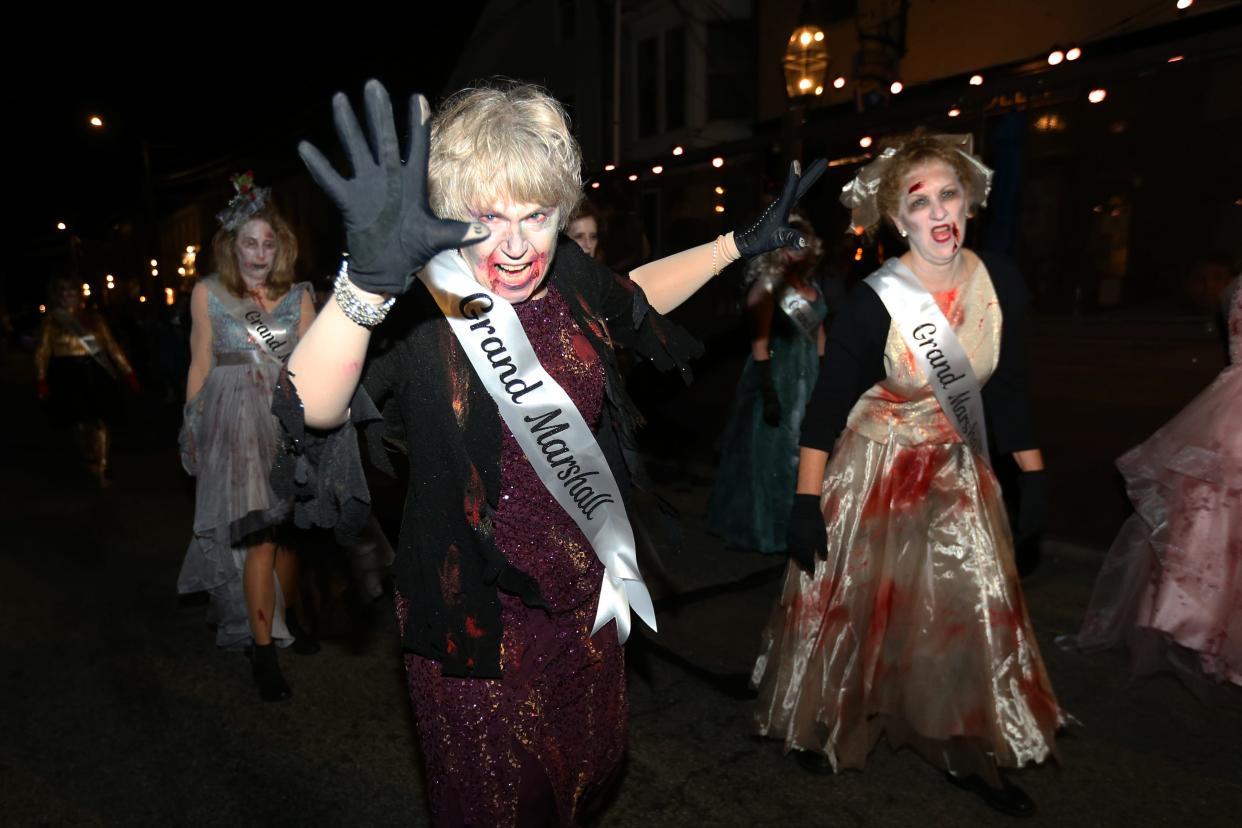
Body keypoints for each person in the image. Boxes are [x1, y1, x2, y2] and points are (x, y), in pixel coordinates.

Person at [275, 80, 823, 826]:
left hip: (582, 596)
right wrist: (365, 289)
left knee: (582, 776)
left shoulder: (563, 269)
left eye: (536, 215)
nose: (515, 245)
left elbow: (630, 301)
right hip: (473, 620)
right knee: (505, 803)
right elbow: (309, 406)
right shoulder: (415, 310)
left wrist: (736, 245)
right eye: (486, 218)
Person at [752, 135, 1063, 818]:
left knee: (960, 614)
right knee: (858, 607)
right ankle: (830, 719)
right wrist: (807, 502)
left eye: (948, 194)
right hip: (875, 464)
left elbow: (1008, 390)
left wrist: (1033, 475)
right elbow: (827, 409)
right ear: (898, 219)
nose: (938, 211)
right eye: (919, 201)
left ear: (969, 202)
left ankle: (963, 746)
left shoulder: (999, 280)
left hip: (955, 467)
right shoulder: (873, 300)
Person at [177, 174, 317, 701]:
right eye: (249, 242)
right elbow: (200, 362)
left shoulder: (299, 296)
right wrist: (192, 422)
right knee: (258, 537)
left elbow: (311, 366)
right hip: (232, 424)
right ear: (231, 246)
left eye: (268, 242)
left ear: (279, 246)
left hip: (282, 423)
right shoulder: (209, 293)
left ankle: (294, 616)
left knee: (286, 538)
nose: (259, 252)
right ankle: (263, 652)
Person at [1077, 275, 1240, 693]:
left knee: (1207, 525)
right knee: (1213, 525)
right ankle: (1208, 636)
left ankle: (1195, 627)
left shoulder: (1234, 288)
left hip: (1224, 414)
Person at [707, 212, 826, 553]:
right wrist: (768, 390)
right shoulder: (772, 286)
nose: (796, 252)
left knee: (808, 445)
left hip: (809, 373)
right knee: (775, 452)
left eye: (801, 245)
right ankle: (772, 527)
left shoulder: (812, 286)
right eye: (788, 245)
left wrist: (826, 371)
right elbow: (759, 340)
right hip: (777, 373)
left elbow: (819, 333)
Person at [34, 275, 140, 486]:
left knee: (100, 421)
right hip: (67, 375)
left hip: (95, 372)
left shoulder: (94, 318)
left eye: (72, 290)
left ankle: (102, 465)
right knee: (80, 423)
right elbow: (42, 351)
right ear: (58, 295)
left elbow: (111, 346)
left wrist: (128, 372)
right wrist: (41, 378)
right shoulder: (52, 320)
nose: (69, 295)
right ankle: (89, 455)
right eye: (63, 291)